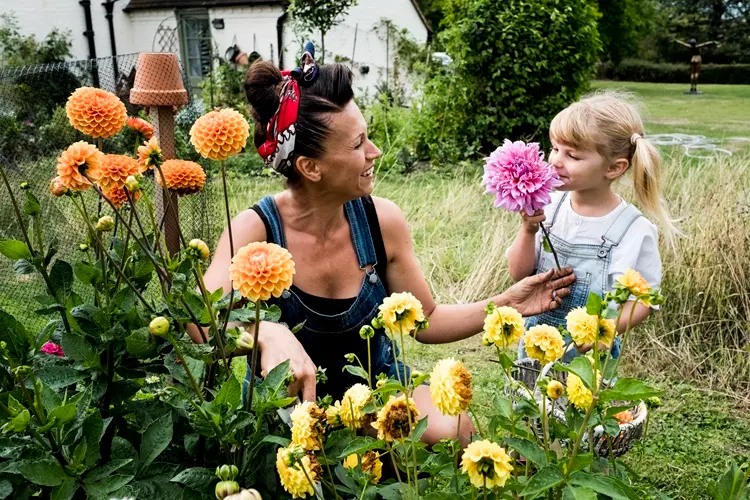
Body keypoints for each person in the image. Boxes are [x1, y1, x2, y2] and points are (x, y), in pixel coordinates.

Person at [192, 44, 576, 446]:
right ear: (310, 167)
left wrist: (509, 302)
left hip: (381, 400)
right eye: (357, 144)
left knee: (456, 425)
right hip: (293, 420)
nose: (374, 152)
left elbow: (425, 320)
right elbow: (200, 328)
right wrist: (264, 332)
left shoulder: (381, 220)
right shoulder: (256, 230)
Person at [507, 90, 679, 362]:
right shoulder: (550, 206)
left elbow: (644, 300)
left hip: (589, 360)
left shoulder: (632, 230)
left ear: (613, 168)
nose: (555, 161)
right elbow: (519, 274)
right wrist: (527, 230)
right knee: (531, 405)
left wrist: (605, 330)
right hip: (533, 348)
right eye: (554, 148)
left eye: (572, 155)